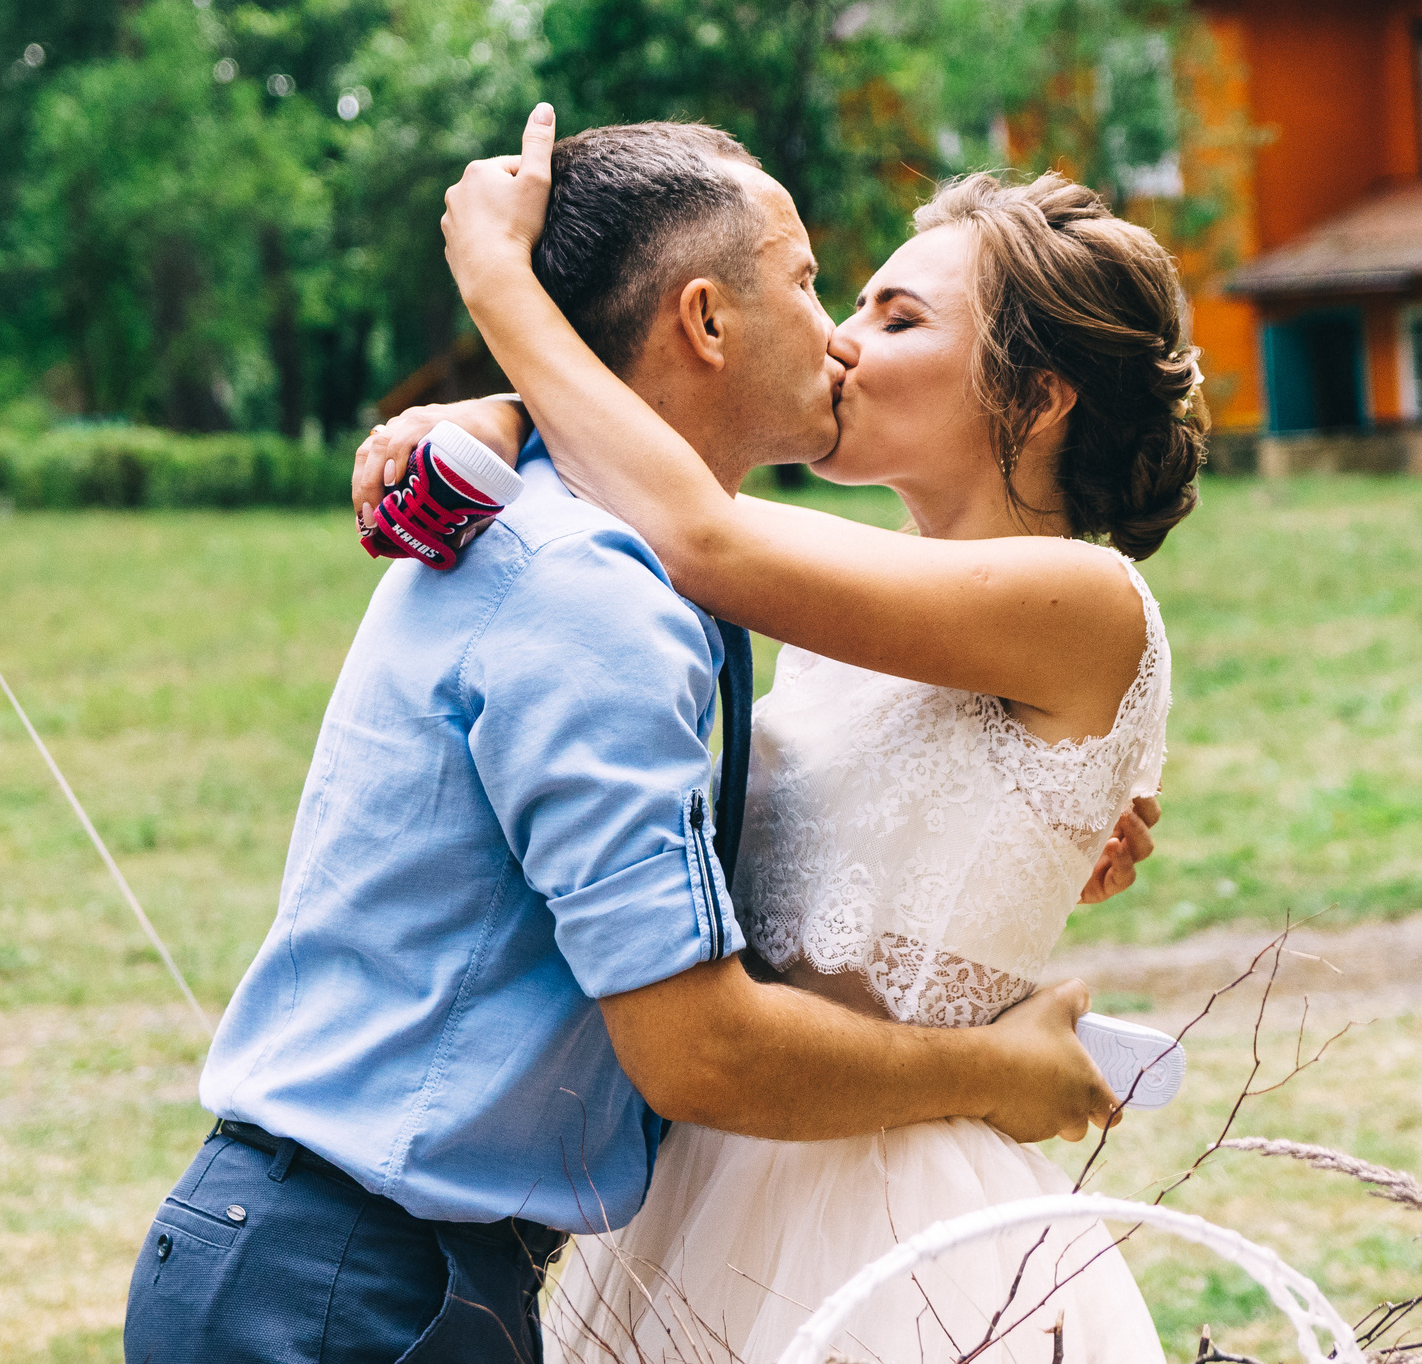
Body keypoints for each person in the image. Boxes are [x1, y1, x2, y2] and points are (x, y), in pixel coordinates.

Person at [123, 118, 1130, 1364]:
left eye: (896, 315)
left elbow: (718, 577)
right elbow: (700, 1031)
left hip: (784, 1204)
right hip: (401, 1259)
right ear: (705, 322)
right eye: (822, 287)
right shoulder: (616, 587)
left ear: (1036, 394)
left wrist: (1020, 817)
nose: (840, 339)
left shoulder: (727, 585)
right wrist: (504, 380)